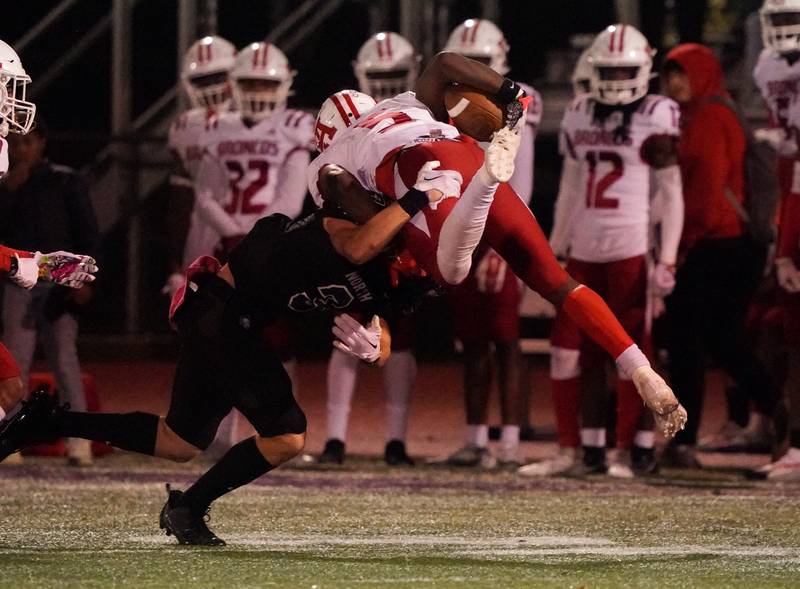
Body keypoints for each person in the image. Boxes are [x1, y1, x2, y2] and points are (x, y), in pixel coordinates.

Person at [0, 159, 458, 545]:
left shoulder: (385, 272)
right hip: (225, 313)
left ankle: (48, 422)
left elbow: (383, 336)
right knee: (287, 434)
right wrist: (417, 198)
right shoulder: (353, 226)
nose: (418, 270)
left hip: (226, 319)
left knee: (179, 442)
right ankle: (189, 507)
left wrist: (374, 349)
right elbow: (358, 238)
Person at [310, 52, 688, 443]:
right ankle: (641, 369)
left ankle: (484, 185)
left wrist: (384, 220)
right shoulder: (406, 104)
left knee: (448, 271)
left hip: (420, 169)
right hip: (465, 150)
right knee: (558, 283)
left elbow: (340, 188)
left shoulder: (330, 158)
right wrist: (512, 95)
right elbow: (442, 64)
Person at [519, 24, 684, 479]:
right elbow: (571, 188)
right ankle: (579, 447)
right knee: (569, 350)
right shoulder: (578, 112)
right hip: (585, 248)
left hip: (632, 247)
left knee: (634, 354)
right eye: (607, 68)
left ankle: (630, 449)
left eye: (623, 69)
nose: (614, 77)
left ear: (644, 69)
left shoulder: (658, 112)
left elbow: (671, 191)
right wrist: (554, 248)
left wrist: (666, 256)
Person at [660, 43, 781, 466]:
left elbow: (706, 196)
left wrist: (675, 248)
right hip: (720, 243)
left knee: (694, 341)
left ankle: (687, 438)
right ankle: (774, 414)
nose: (674, 82)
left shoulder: (710, 115)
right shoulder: (699, 114)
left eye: (681, 73)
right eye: (669, 74)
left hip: (721, 244)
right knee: (713, 339)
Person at [440, 18, 543, 468]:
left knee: (506, 340)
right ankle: (475, 438)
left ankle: (511, 444)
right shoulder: (447, 108)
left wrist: (507, 245)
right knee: (473, 341)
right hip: (465, 227)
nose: (474, 71)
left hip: (499, 227)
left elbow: (523, 183)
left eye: (482, 64)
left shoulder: (519, 109)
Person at [320, 32, 421, 466]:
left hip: (399, 239)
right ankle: (335, 438)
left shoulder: (416, 116)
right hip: (366, 238)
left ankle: (395, 440)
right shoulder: (339, 146)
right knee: (345, 332)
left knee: (399, 338)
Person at [0, 40, 98, 463]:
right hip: (19, 278)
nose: (11, 99)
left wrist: (34, 264)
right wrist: (22, 263)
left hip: (34, 278)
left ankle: (74, 438)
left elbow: (87, 230)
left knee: (9, 383)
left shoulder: (60, 180)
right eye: (4, 86)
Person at [165, 35, 237, 294]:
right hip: (205, 244)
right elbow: (180, 201)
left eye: (218, 77)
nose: (211, 87)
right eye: (202, 80)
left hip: (256, 237)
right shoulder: (186, 128)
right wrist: (174, 267)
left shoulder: (269, 122)